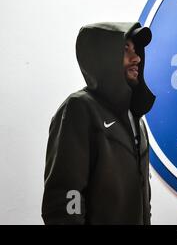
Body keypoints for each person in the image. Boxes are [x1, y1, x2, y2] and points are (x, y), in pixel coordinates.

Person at [42, 22, 155, 225]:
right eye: (125, 49)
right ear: (103, 57)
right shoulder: (79, 108)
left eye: (136, 49)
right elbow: (65, 198)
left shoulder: (136, 118)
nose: (136, 58)